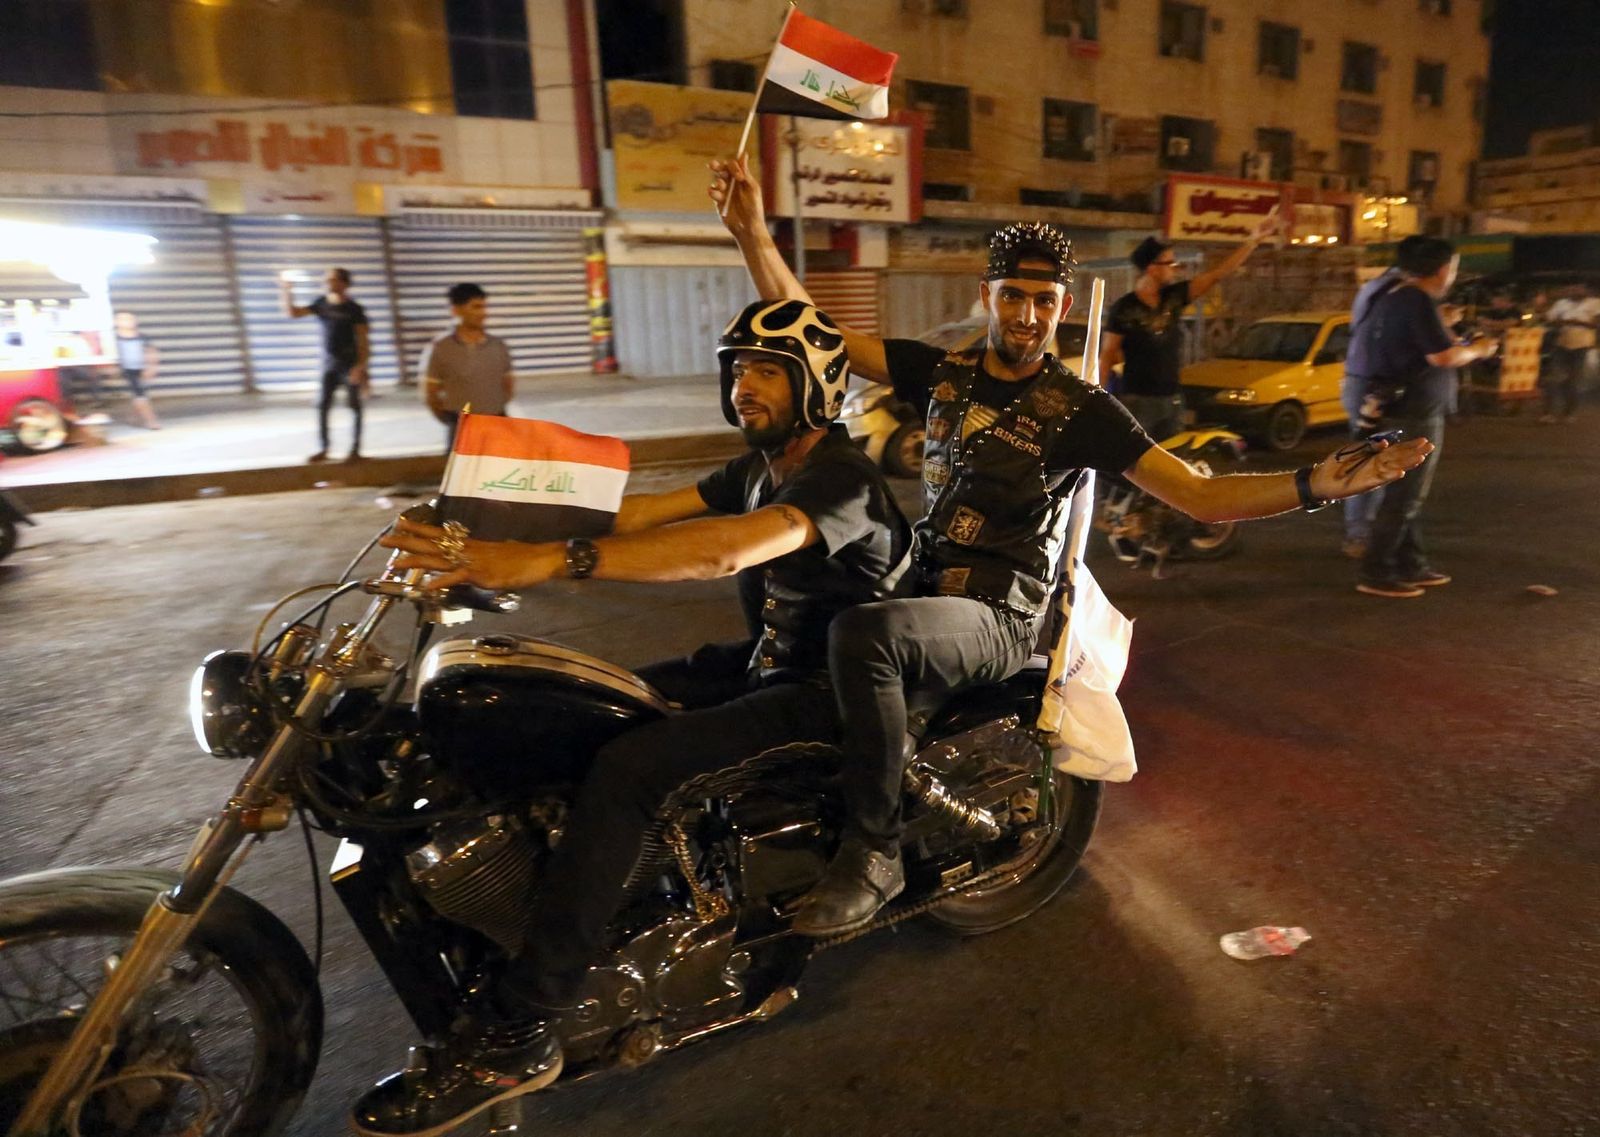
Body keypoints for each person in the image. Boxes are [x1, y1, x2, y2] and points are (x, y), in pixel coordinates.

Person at [709, 154, 1432, 934]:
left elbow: (1199, 493)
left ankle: (874, 854)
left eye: (1043, 301)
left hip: (999, 612)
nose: (1026, 315)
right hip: (922, 586)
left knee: (864, 635)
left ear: (1061, 308)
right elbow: (809, 330)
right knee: (797, 607)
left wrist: (1315, 483)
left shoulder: (1079, 408)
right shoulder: (944, 373)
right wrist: (753, 231)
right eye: (1012, 296)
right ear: (986, 295)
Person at [348, 299, 913, 1136]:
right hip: (761, 664)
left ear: (815, 384)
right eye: (737, 371)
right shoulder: (758, 464)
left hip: (830, 692)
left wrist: (552, 560)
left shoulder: (840, 479)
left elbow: (723, 548)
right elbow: (644, 513)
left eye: (764, 371)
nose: (743, 387)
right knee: (577, 712)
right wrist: (477, 524)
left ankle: (521, 1025)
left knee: (631, 771)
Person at [1346, 236, 1498, 598]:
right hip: (1415, 411)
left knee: (1406, 492)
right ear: (1444, 269)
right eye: (1454, 267)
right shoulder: (1417, 298)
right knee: (1405, 496)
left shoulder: (1397, 295)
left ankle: (1411, 563)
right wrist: (1478, 349)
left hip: (1399, 406)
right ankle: (1377, 571)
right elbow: (1442, 357)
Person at [1099, 218, 1280, 440]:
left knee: (1172, 465)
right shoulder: (1124, 308)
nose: (1176, 269)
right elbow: (1107, 354)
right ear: (1152, 268)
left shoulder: (1174, 296)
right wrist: (1101, 398)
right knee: (1135, 465)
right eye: (1170, 263)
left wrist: (1253, 241)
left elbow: (1218, 274)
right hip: (1138, 402)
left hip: (1172, 399)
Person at [280, 267, 370, 462]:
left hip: (349, 364)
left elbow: (363, 339)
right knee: (323, 406)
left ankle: (355, 450)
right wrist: (287, 290)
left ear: (344, 283)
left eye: (333, 280)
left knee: (354, 406)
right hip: (329, 364)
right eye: (327, 280)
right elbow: (293, 313)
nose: (329, 283)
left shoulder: (354, 309)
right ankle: (324, 447)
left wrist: (360, 366)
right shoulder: (321, 304)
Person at [419, 282, 515, 450]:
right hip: (461, 428)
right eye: (476, 307)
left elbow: (508, 386)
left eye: (484, 307)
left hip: (498, 423)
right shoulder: (440, 348)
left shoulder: (498, 346)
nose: (483, 313)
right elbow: (430, 395)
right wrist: (453, 421)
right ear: (456, 310)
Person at [1540, 281, 1600, 423]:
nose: (1573, 291)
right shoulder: (1561, 303)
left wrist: (1575, 322)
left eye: (1577, 288)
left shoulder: (1595, 303)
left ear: (1585, 290)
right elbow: (1549, 320)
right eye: (1571, 288)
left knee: (1573, 381)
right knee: (1554, 379)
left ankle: (1569, 412)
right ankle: (1549, 413)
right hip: (1561, 344)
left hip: (1581, 346)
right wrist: (1551, 317)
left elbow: (1596, 324)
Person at [109, 311, 161, 430]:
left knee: (139, 394)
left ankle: (131, 417)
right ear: (116, 322)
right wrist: (112, 368)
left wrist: (152, 367)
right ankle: (151, 421)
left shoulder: (141, 337)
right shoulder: (114, 337)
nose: (126, 322)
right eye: (122, 319)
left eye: (129, 319)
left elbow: (151, 351)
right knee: (140, 394)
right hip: (126, 369)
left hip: (141, 368)